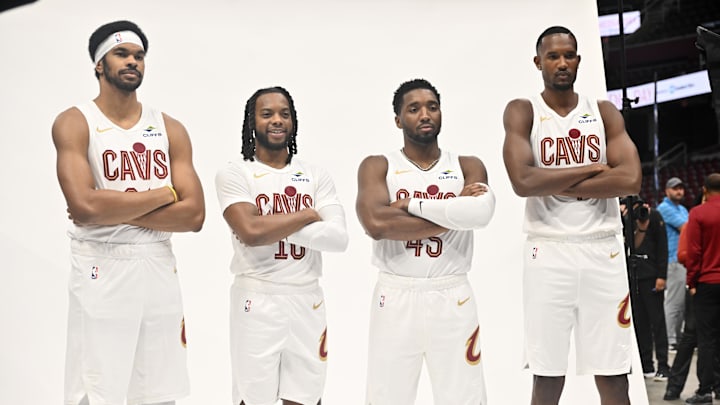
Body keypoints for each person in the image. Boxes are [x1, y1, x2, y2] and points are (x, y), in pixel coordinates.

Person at [52, 20, 205, 405]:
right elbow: (84, 208)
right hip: (102, 266)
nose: (132, 61)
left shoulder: (169, 127)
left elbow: (194, 216)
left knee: (160, 390)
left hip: (158, 265)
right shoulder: (76, 121)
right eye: (121, 54)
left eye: (138, 56)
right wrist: (165, 193)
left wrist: (112, 208)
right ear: (99, 65)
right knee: (97, 388)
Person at [502, 26, 642, 405]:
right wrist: (595, 170)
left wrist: (551, 181)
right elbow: (522, 181)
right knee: (547, 375)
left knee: (614, 374)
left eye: (569, 55)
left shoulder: (603, 111)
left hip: (603, 252)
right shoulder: (524, 110)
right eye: (553, 56)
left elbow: (629, 178)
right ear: (538, 62)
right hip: (549, 251)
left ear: (579, 60)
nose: (562, 63)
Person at [356, 78, 496, 404]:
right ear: (398, 119)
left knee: (465, 396)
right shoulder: (378, 165)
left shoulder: (467, 165)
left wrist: (408, 206)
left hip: (453, 294)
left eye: (432, 107)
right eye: (414, 108)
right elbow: (376, 224)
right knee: (387, 397)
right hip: (395, 295)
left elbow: (479, 215)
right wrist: (453, 209)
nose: (425, 114)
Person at [215, 86, 349, 405]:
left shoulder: (315, 174)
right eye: (267, 114)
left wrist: (270, 223)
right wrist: (305, 215)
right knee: (252, 399)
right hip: (257, 297)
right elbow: (249, 231)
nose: (277, 120)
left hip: (307, 298)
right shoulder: (235, 173)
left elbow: (338, 238)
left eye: (284, 114)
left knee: (307, 397)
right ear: (252, 122)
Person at [620, 197, 670, 381]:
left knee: (658, 323)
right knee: (640, 323)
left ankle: (663, 365)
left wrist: (662, 276)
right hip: (633, 277)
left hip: (652, 276)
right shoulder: (624, 218)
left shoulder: (654, 216)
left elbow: (663, 247)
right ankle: (646, 364)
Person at [683, 173, 720, 404]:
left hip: (707, 282)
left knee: (706, 339)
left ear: (705, 189)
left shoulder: (698, 213)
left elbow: (694, 253)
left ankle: (705, 390)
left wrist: (691, 281)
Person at [657, 176, 689, 352]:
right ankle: (670, 340)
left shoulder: (682, 208)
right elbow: (686, 228)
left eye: (681, 188)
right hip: (673, 260)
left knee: (683, 303)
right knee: (674, 302)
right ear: (667, 191)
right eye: (675, 188)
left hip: (684, 260)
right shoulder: (664, 208)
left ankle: (677, 337)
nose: (679, 191)